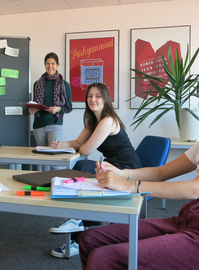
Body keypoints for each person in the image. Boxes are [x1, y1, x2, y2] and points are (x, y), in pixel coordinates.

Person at [80, 66, 199, 269]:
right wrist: (123, 173)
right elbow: (162, 172)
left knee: (106, 258)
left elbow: (195, 188)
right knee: (89, 239)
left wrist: (128, 186)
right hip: (191, 217)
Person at [49, 83, 142, 258]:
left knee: (82, 167)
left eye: (98, 96)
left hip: (126, 165)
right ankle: (79, 227)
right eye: (90, 96)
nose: (93, 99)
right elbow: (78, 143)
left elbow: (85, 150)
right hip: (111, 163)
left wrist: (78, 146)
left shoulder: (107, 121)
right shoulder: (93, 121)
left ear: (105, 99)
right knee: (81, 168)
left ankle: (78, 228)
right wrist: (63, 144)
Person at [30, 52, 72, 171]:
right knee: (43, 161)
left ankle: (56, 186)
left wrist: (58, 109)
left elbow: (69, 108)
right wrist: (33, 109)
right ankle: (46, 187)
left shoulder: (64, 85)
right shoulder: (37, 84)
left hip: (55, 125)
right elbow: (36, 104)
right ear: (44, 65)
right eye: (48, 63)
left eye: (53, 63)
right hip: (38, 126)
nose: (50, 66)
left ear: (57, 65)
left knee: (55, 161)